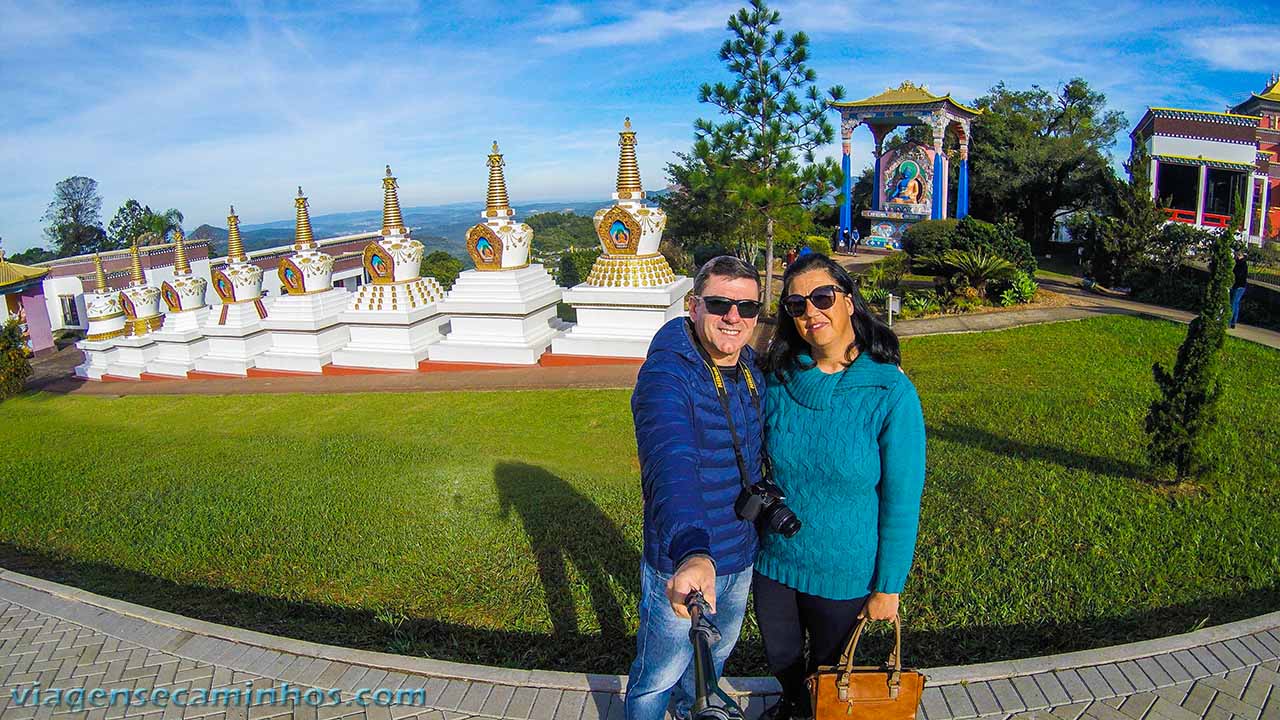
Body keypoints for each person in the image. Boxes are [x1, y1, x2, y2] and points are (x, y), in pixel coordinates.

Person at [754, 253, 927, 720]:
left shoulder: (889, 392)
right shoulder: (778, 379)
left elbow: (901, 500)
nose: (811, 312)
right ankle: (793, 706)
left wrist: (889, 587)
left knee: (830, 674)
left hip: (845, 571)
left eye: (822, 297)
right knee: (783, 661)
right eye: (796, 304)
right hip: (775, 562)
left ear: (848, 302)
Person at [626, 256, 767, 720]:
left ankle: (693, 709)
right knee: (658, 676)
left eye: (747, 308)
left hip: (739, 552)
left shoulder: (748, 366)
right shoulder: (667, 376)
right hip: (685, 561)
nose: (734, 317)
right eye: (720, 303)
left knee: (710, 664)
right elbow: (672, 465)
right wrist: (691, 551)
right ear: (693, 305)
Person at [1231, 251, 1248, 329]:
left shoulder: (1241, 264)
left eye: (1235, 256)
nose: (1234, 258)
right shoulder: (1241, 263)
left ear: (1238, 256)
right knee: (1235, 303)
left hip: (1238, 286)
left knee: (1233, 303)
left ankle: (1231, 321)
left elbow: (1238, 275)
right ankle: (1233, 322)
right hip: (1239, 286)